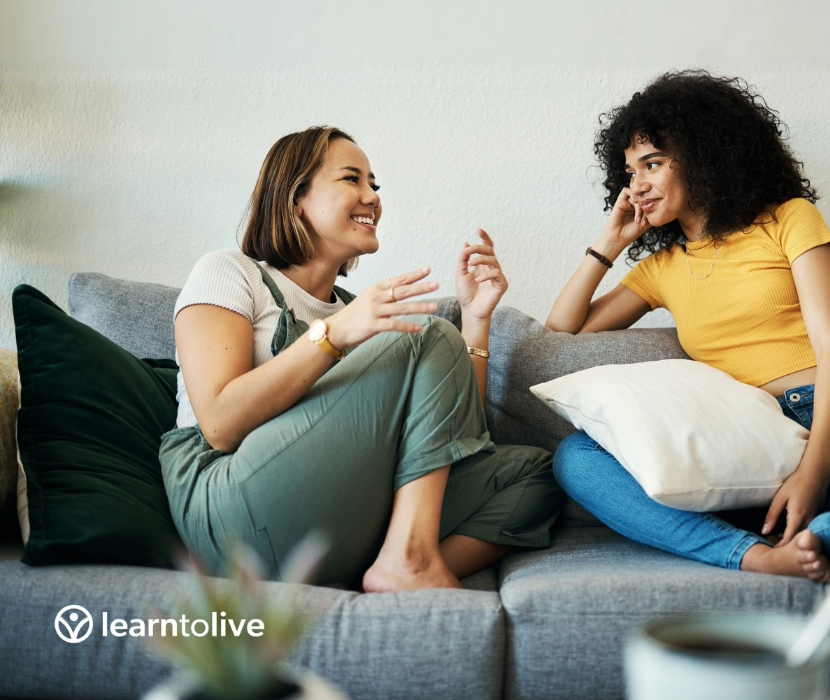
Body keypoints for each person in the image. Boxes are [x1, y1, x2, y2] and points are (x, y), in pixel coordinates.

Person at [546, 70, 830, 582]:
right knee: (577, 458)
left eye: (653, 163)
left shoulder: (789, 220)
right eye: (629, 171)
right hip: (748, 439)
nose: (637, 185)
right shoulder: (662, 269)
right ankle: (756, 555)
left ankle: (819, 534)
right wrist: (608, 245)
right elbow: (562, 332)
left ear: (704, 155)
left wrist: (814, 469)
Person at [160, 126, 562, 591]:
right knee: (427, 332)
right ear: (296, 199)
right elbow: (219, 423)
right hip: (230, 505)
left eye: (374, 184)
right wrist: (334, 333)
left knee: (539, 474)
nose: (372, 196)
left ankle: (392, 564)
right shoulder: (230, 273)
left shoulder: (358, 309)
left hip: (336, 513)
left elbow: (453, 434)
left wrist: (475, 321)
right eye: (352, 179)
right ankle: (408, 559)